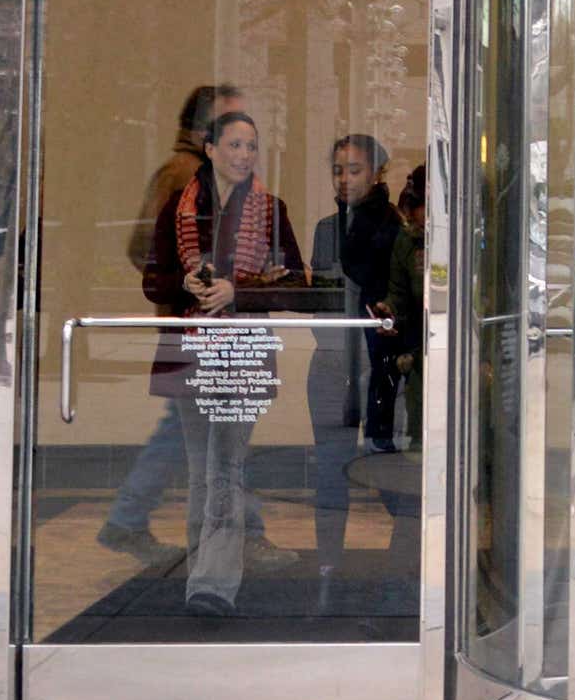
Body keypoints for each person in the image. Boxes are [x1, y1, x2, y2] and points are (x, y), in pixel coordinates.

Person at [99, 84, 285, 566]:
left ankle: (130, 520)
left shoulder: (206, 175)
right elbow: (147, 250)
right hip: (201, 332)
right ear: (205, 131)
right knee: (215, 442)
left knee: (200, 437)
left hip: (210, 333)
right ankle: (233, 536)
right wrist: (197, 284)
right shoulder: (187, 177)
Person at [143, 110, 309, 616]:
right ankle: (202, 576)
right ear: (210, 149)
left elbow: (298, 284)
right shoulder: (178, 208)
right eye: (234, 145)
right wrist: (186, 284)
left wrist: (241, 291)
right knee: (202, 470)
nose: (244, 155)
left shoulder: (271, 209)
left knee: (225, 467)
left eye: (251, 146)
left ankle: (213, 585)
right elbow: (153, 282)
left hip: (242, 353)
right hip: (192, 352)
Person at [309, 134, 399, 576]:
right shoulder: (327, 228)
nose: (344, 179)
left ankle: (406, 562)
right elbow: (321, 297)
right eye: (338, 170)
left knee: (387, 465)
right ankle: (328, 564)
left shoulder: (394, 227)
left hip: (380, 363)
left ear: (377, 173)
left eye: (355, 170)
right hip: (332, 359)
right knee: (330, 469)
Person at [387, 164, 428, 449]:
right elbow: (398, 292)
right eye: (423, 206)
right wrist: (389, 309)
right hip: (419, 341)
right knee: (419, 403)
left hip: (469, 340)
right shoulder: (407, 241)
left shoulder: (476, 235)